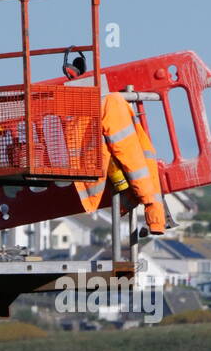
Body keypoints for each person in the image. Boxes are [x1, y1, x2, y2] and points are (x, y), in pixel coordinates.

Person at [63, 52, 166, 233]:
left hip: (110, 180)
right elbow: (130, 154)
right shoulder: (113, 104)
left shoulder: (104, 106)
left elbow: (129, 154)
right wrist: (151, 207)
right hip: (126, 185)